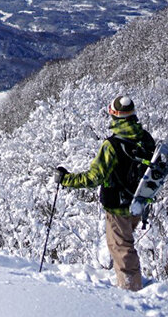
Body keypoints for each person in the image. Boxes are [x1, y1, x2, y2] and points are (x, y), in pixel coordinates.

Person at [54, 94, 155, 291]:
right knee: (123, 245)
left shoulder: (112, 146)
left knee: (122, 248)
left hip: (118, 207)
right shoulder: (145, 138)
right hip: (138, 203)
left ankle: (131, 292)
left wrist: (66, 179)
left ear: (114, 116)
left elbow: (94, 177)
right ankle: (128, 283)